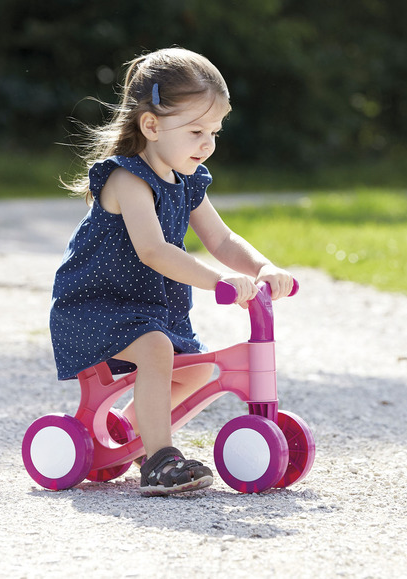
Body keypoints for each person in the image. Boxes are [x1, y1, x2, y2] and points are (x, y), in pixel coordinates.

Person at [51, 47, 293, 496]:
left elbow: (222, 240)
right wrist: (218, 281)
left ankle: (131, 429)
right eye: (197, 130)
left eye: (215, 132)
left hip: (148, 311)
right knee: (158, 350)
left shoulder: (188, 181)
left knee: (198, 369)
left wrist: (263, 267)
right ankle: (158, 459)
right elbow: (154, 252)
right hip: (97, 307)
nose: (208, 144)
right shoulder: (128, 179)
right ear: (151, 125)